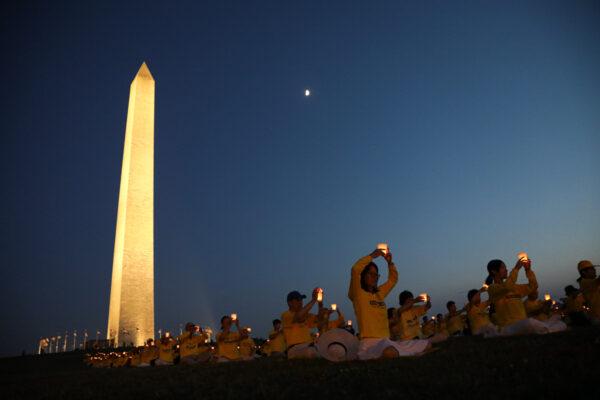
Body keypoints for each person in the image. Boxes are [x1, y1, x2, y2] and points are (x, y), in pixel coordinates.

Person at [348, 248, 430, 360]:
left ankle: (407, 352)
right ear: (363, 276)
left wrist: (389, 262)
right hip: (369, 343)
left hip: (386, 340)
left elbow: (393, 280)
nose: (374, 277)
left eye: (376, 275)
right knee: (390, 352)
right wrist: (372, 256)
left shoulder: (379, 294)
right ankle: (407, 353)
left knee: (426, 344)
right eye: (370, 274)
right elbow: (355, 270)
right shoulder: (358, 294)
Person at [486, 257, 559, 335]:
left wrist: (528, 270)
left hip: (523, 323)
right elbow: (507, 287)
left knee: (558, 319)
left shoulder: (515, 288)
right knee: (530, 322)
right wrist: (516, 268)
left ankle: (545, 329)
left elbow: (533, 286)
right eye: (503, 267)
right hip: (508, 327)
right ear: (494, 271)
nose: (506, 270)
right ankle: (545, 329)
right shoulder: (492, 289)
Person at [281, 289, 320, 359]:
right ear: (290, 303)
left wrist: (320, 303)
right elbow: (298, 317)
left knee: (323, 348)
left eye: (301, 300)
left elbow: (320, 319)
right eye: (298, 300)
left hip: (309, 345)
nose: (301, 302)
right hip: (294, 349)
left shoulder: (306, 315)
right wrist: (313, 300)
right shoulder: (286, 315)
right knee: (311, 351)